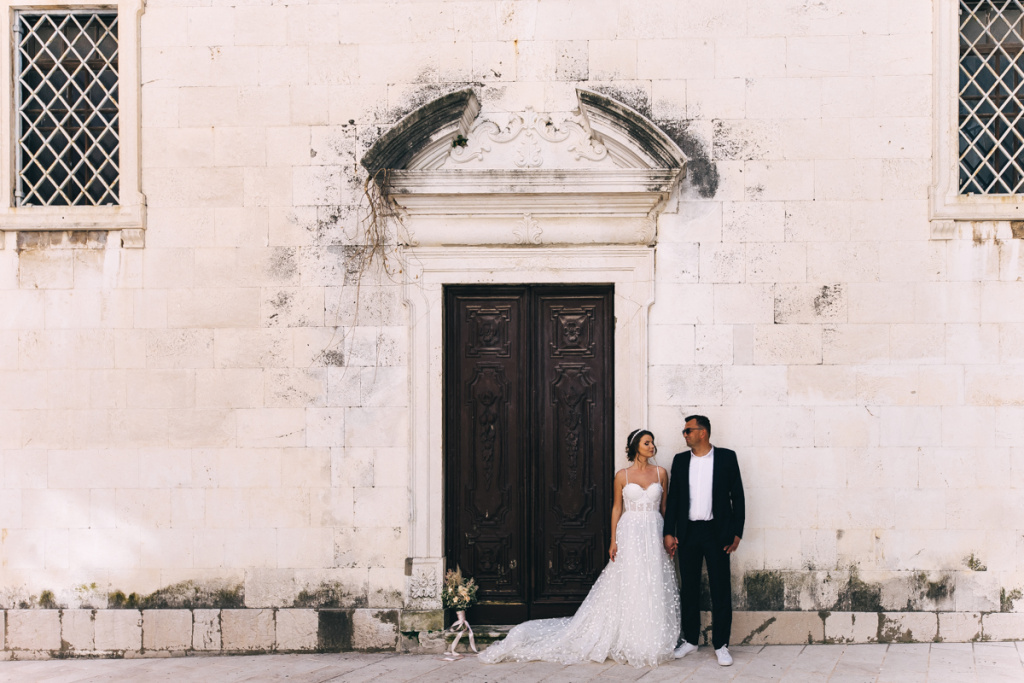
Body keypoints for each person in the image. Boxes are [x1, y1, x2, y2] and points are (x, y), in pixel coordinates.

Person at [479, 429, 681, 668]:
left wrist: (670, 534)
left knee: (652, 579)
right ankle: (629, 635)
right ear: (636, 445)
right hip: (630, 531)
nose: (652, 446)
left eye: (652, 443)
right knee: (631, 578)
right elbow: (617, 508)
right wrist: (613, 541)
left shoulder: (661, 473)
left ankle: (651, 636)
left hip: (654, 530)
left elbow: (666, 507)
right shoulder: (622, 476)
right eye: (647, 442)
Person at [663, 415, 745, 667]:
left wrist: (737, 533)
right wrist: (668, 532)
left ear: (703, 432)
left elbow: (738, 496)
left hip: (717, 533)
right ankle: (690, 640)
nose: (684, 434)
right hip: (688, 533)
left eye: (688, 430)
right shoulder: (680, 460)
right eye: (684, 431)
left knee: (720, 588)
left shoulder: (726, 458)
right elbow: (673, 499)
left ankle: (721, 645)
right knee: (688, 587)